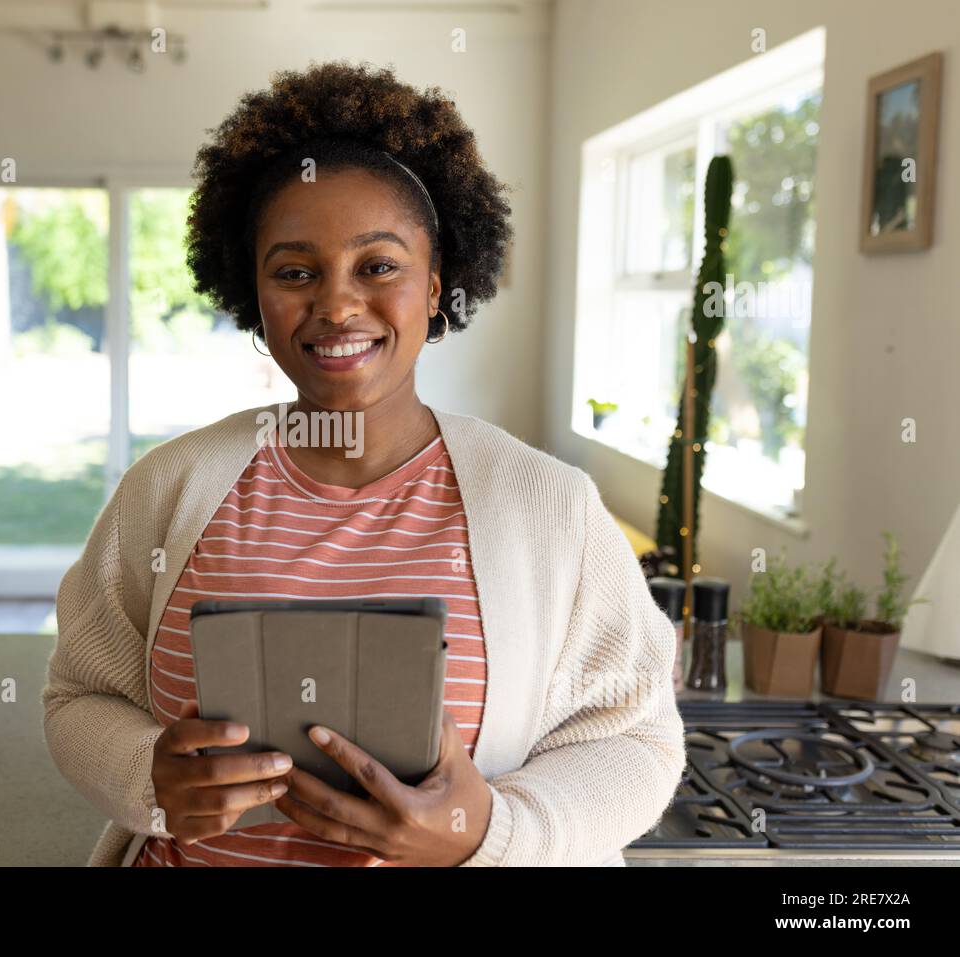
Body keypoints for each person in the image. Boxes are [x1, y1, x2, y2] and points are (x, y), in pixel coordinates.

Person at [42, 61, 685, 867]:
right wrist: (147, 776)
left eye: (378, 266)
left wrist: (485, 832)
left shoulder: (548, 506)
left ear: (436, 286)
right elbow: (81, 696)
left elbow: (637, 739)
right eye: (295, 271)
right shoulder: (168, 489)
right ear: (255, 294)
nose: (337, 304)